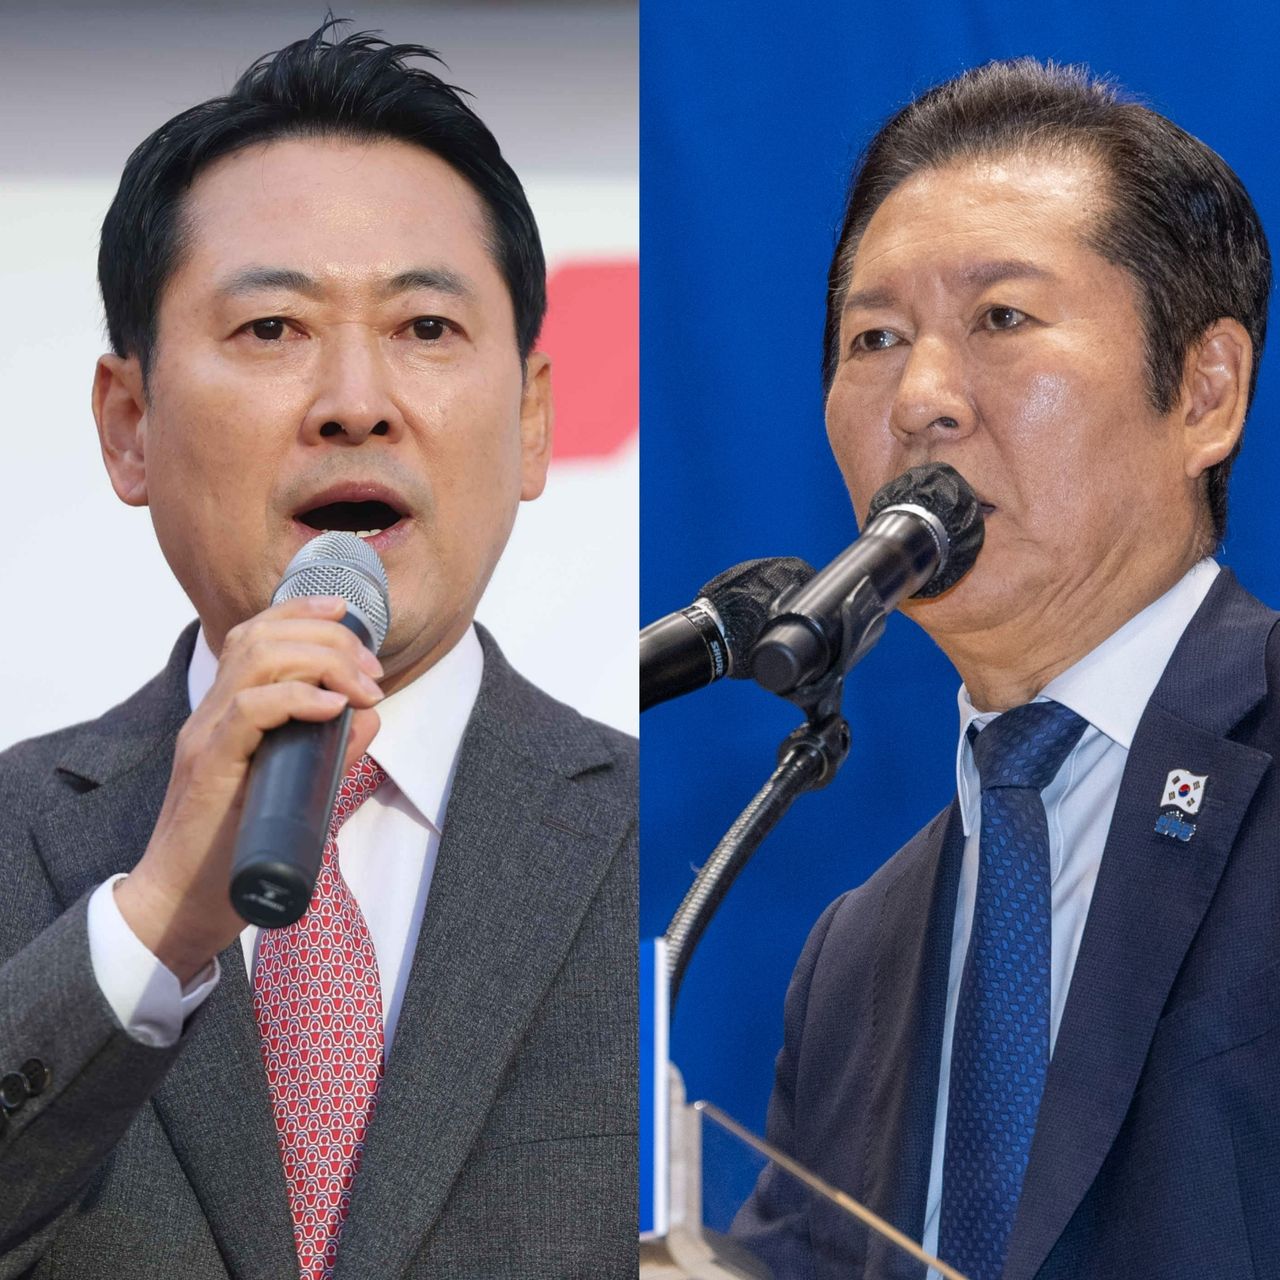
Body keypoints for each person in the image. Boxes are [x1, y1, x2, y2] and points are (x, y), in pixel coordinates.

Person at [0, 22, 635, 1280]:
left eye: (427, 329)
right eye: (274, 328)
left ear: (528, 423)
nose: (355, 398)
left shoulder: (665, 845)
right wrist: (145, 930)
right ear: (128, 425)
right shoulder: (18, 830)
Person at [733, 59, 1277, 1280]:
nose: (921, 398)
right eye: (872, 338)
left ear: (1204, 392)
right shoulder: (849, 956)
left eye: (1000, 319)